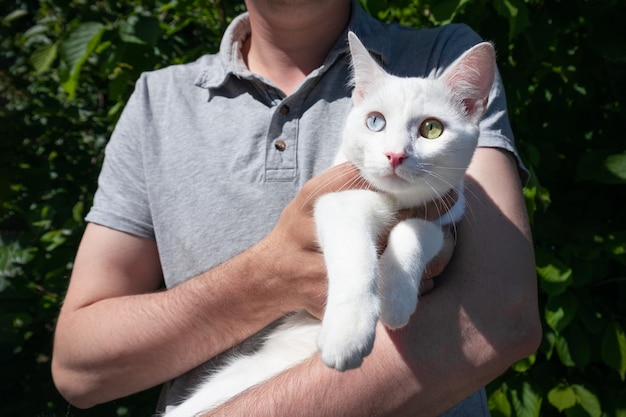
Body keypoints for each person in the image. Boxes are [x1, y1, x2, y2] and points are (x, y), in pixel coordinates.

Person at [51, 0, 541, 415]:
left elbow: (503, 318)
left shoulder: (442, 57)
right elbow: (79, 368)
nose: (397, 149)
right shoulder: (156, 101)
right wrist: (274, 275)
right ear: (362, 99)